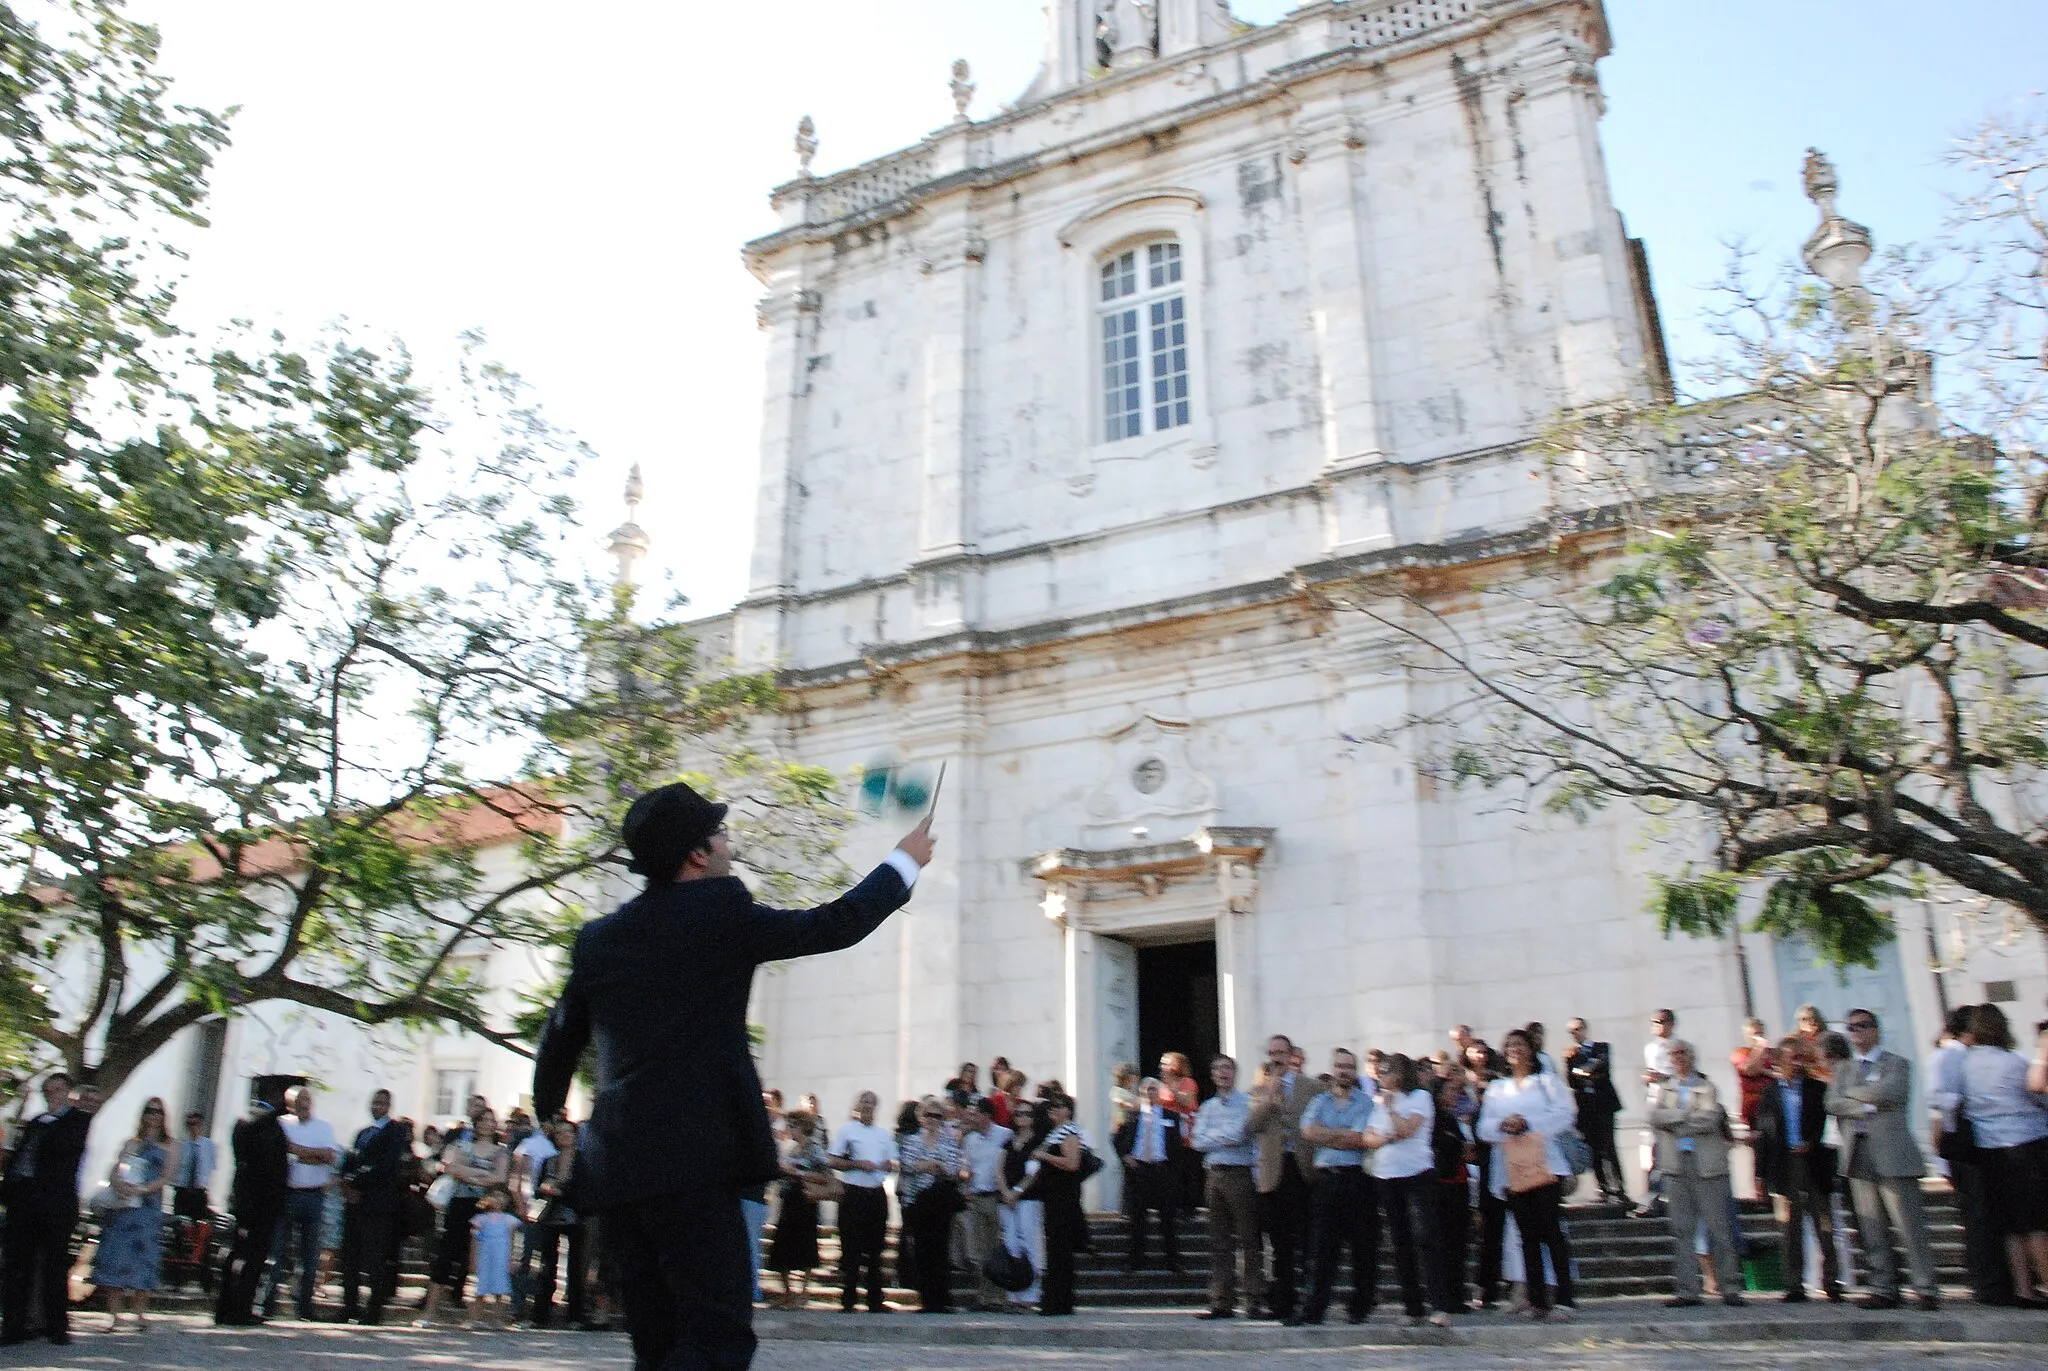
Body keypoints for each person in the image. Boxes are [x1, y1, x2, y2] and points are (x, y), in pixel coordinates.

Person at [532, 781, 933, 1369]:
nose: (727, 842)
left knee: (656, 1339)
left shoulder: (600, 939)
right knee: (716, 1337)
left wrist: (556, 1125)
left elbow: (558, 1042)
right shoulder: (720, 911)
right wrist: (903, 862)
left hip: (620, 1164)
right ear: (697, 854)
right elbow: (833, 924)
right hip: (697, 1161)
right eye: (719, 833)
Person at [1826, 1006, 1940, 1310]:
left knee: (1908, 1224)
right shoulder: (1843, 1070)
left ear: (1875, 1030)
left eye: (1862, 1026)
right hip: (1858, 1151)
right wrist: (1865, 1104)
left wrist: (1854, 1095)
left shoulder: (1896, 1064)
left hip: (1894, 1152)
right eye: (1850, 1027)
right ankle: (1883, 1286)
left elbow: (1892, 1093)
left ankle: (1925, 1287)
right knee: (1871, 1225)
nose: (1856, 1032)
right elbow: (1832, 1103)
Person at [1475, 1028, 1577, 1322]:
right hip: (1513, 1169)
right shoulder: (1496, 1089)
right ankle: (1537, 1300)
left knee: (1551, 1231)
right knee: (1526, 1235)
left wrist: (1527, 1122)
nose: (1514, 1050)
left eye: (1519, 1044)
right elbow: (1483, 1128)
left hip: (1544, 1165)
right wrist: (1505, 1125)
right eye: (1509, 1046)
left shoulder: (1545, 1082)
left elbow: (1564, 1114)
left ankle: (1565, 1297)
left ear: (1530, 1051)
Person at [1954, 1004, 2048, 1306]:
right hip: (2026, 1142)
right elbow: (2036, 1094)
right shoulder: (2014, 1062)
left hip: (1989, 1147)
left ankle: (2022, 1288)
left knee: (2010, 1225)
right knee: (2036, 1222)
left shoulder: (1965, 1064)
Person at [1648, 1040, 1744, 1308]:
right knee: (1682, 1229)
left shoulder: (1706, 1086)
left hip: (1707, 1166)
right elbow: (1656, 1117)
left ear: (1692, 1057)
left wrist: (1676, 1121)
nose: (1678, 1058)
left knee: (1718, 1228)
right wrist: (1686, 1116)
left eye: (1682, 1053)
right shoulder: (1664, 1088)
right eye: (1673, 1054)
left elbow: (1710, 1119)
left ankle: (1730, 1287)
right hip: (1676, 1166)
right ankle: (1687, 1289)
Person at [1, 1072, 93, 1346]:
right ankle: (14, 1326)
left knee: (54, 1266)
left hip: (55, 1204)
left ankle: (56, 1326)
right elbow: (21, 1158)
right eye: (48, 1091)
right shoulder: (34, 1123)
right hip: (25, 1202)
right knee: (17, 1267)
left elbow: (64, 1150)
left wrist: (52, 1122)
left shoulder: (77, 1121)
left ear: (67, 1092)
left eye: (57, 1090)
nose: (51, 1095)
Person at [1929, 1004, 2011, 1305]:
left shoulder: (1963, 1056)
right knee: (1978, 1215)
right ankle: (1988, 1284)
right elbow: (1941, 1106)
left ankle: (1995, 1280)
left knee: (1985, 1213)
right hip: (1964, 1142)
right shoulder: (1949, 1056)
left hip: (1973, 1142)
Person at [1752, 1035, 1840, 1303]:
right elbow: (1763, 1136)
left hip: (1813, 1162)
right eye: (1793, 1058)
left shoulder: (1817, 1088)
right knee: (1788, 1227)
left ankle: (1831, 1282)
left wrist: (1811, 1143)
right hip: (1784, 1165)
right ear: (1780, 1061)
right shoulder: (1769, 1094)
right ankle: (1794, 1284)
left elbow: (1826, 1125)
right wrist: (1760, 1174)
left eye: (1802, 1057)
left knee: (1823, 1224)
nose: (1799, 1063)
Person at [1293, 1047, 1376, 1326]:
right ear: (1333, 1069)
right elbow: (1307, 1131)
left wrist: (1327, 1135)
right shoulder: (1319, 1101)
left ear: (1356, 1072)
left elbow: (1360, 1138)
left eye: (1350, 1067)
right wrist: (1341, 1135)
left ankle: (1360, 1307)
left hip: (1356, 1180)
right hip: (1326, 1180)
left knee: (1362, 1246)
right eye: (1340, 1066)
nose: (1344, 1071)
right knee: (1321, 1247)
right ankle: (1314, 1309)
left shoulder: (1365, 1102)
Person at [1365, 1053, 1449, 1329]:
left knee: (1427, 1237)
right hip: (1387, 1175)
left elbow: (1407, 1130)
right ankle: (1413, 1306)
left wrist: (1390, 1114)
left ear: (1400, 1074)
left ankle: (1439, 1304)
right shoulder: (1379, 1101)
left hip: (1417, 1173)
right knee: (1400, 1242)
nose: (1382, 1075)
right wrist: (1386, 1132)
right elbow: (1369, 1137)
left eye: (1387, 1070)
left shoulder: (1419, 1097)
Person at [1247, 1034, 1324, 1320]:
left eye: (1281, 1052)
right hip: (1272, 1173)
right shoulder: (1258, 1091)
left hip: (1302, 1169)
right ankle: (1282, 1303)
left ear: (1291, 1054)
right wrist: (1270, 1097)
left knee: (1307, 1239)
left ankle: (1310, 1300)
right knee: (1278, 1243)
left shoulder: (1312, 1087)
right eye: (1272, 1052)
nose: (1276, 1057)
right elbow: (1251, 1125)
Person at [89, 1096, 178, 1332]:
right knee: (116, 1257)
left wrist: (144, 1189)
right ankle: (114, 1315)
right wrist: (118, 1183)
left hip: (148, 1208)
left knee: (144, 1259)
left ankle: (139, 1314)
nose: (154, 1115)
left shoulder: (170, 1144)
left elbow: (167, 1176)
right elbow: (117, 1168)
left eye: (158, 1111)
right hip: (124, 1207)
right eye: (149, 1110)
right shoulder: (132, 1142)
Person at [419, 1105, 509, 1327]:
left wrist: (469, 1174)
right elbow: (451, 1168)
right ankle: (429, 1313)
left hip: (485, 1208)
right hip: (460, 1205)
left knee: (481, 1258)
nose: (487, 1124)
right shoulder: (462, 1145)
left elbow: (499, 1177)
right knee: (446, 1255)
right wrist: (479, 1175)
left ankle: (477, 1316)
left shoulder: (500, 1151)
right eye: (483, 1120)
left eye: (491, 1119)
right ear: (476, 1123)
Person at [259, 1085, 339, 1321]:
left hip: (314, 1195)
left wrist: (299, 1152)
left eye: (307, 1099)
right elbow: (282, 1156)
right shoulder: (281, 1125)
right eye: (299, 1100)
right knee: (276, 1252)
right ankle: (268, 1302)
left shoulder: (323, 1127)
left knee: (310, 1255)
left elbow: (330, 1158)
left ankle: (304, 1307)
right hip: (287, 1194)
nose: (304, 1103)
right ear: (290, 1104)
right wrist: (314, 1155)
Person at [1191, 1053, 1260, 1320]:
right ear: (1212, 1075)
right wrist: (1223, 1137)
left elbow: (1241, 1134)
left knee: (1248, 1238)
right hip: (1214, 1175)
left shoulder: (1246, 1103)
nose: (1223, 1073)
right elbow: (1197, 1142)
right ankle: (1221, 1301)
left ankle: (1253, 1299)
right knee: (1219, 1240)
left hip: (1239, 1174)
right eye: (1218, 1069)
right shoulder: (1207, 1107)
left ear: (1235, 1073)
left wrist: (1215, 1137)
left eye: (1228, 1068)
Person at [214, 1094, 288, 1327]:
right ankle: (237, 1308)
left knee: (244, 1258)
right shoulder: (262, 1130)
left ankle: (233, 1307)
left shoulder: (252, 1126)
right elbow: (265, 1172)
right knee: (247, 1259)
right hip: (256, 1205)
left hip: (254, 1203)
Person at [339, 1088, 411, 1325]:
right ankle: (349, 1306)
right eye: (374, 1102)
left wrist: (358, 1182)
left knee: (375, 1258)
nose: (377, 1107)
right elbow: (351, 1161)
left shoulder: (395, 1131)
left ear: (388, 1105)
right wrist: (347, 1183)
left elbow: (385, 1166)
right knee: (350, 1257)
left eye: (381, 1103)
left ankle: (373, 1310)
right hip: (355, 1203)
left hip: (378, 1204)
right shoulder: (362, 1133)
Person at [828, 1091, 899, 1313]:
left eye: (872, 1103)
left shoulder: (883, 1134)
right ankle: (848, 1299)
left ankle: (874, 1299)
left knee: (876, 1248)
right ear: (858, 1105)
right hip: (854, 1192)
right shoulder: (847, 1131)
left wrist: (888, 1166)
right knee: (851, 1247)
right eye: (865, 1103)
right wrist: (857, 1164)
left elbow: (895, 1163)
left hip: (875, 1192)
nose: (868, 1107)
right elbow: (833, 1159)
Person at [897, 1095, 963, 1313]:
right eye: (928, 1115)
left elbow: (952, 1170)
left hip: (940, 1201)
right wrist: (934, 1164)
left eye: (937, 1115)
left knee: (940, 1250)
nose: (932, 1119)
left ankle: (941, 1299)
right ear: (921, 1116)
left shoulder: (949, 1141)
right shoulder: (912, 1140)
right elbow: (908, 1165)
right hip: (917, 1200)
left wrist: (929, 1165)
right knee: (922, 1250)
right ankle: (926, 1299)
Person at [1113, 1077, 1185, 1274]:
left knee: (1168, 1218)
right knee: (1137, 1218)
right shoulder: (1131, 1116)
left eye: (1154, 1089)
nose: (1150, 1093)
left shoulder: (1171, 1116)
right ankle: (1135, 1260)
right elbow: (1117, 1138)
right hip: (1139, 1170)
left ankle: (1173, 1260)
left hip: (1162, 1170)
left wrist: (1173, 1170)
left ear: (1159, 1092)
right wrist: (1125, 1157)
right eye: (1146, 1090)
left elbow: (1178, 1146)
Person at [1030, 1091, 1085, 1316]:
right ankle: (1054, 1298)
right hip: (1052, 1196)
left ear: (1068, 1110)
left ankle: (1061, 1300)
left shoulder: (1070, 1132)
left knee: (1060, 1249)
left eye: (1059, 1105)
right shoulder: (1054, 1132)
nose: (1054, 1109)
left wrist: (1045, 1157)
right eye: (1052, 1105)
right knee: (1054, 1248)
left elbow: (1072, 1163)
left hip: (1064, 1197)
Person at [768, 1111, 829, 1309]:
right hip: (789, 1201)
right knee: (781, 1246)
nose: (790, 1129)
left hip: (806, 1200)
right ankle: (787, 1292)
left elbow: (823, 1176)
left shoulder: (814, 1149)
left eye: (793, 1125)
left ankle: (804, 1291)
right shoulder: (791, 1149)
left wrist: (798, 1173)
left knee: (806, 1244)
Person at [957, 1098, 1013, 1311]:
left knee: (999, 1247)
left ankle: (1001, 1295)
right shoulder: (970, 1140)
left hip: (997, 1197)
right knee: (980, 1251)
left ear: (986, 1115)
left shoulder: (1004, 1135)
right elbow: (966, 1166)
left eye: (975, 1114)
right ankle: (984, 1297)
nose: (971, 1117)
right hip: (977, 1197)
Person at [1564, 1019, 1625, 1203]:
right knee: (1594, 1150)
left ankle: (1619, 1187)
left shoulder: (1601, 1047)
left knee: (1609, 1147)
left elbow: (1601, 1068)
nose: (1575, 1034)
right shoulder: (1570, 1055)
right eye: (1571, 1031)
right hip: (1586, 1108)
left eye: (1577, 1029)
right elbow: (1572, 1081)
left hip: (1604, 1105)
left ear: (1585, 1029)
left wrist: (1583, 1071)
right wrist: (1584, 1071)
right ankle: (1603, 1188)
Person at [1430, 1073, 1475, 1311]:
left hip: (1459, 1184)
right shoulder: (1435, 1120)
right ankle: (1446, 1295)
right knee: (1445, 1244)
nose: (1453, 1096)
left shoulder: (1452, 1119)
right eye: (1448, 1092)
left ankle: (1456, 1295)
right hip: (1442, 1185)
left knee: (1458, 1243)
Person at [997, 1098, 1046, 1310]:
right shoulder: (1009, 1141)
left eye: (1027, 1114)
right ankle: (1014, 1291)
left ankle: (1032, 1292)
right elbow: (999, 1169)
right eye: (1019, 1114)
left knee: (1030, 1242)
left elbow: (1034, 1173)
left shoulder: (1037, 1142)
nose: (1022, 1118)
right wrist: (1005, 1192)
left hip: (1028, 1199)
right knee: (1011, 1243)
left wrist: (1017, 1192)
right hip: (1007, 1200)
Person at [1634, 1009, 1678, 1218]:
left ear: (1670, 1024)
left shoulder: (1678, 1047)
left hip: (1674, 1103)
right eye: (1654, 1022)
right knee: (1654, 1151)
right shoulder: (1650, 1048)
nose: (1656, 1026)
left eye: (1660, 1022)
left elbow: (1682, 1076)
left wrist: (1661, 1076)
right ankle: (1653, 1198)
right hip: (1655, 1102)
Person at [467, 1185, 520, 1330]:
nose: (498, 1199)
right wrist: (473, 1259)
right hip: (485, 1256)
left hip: (501, 1257)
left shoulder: (509, 1220)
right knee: (480, 1289)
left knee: (499, 1289)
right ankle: (475, 1318)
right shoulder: (480, 1219)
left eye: (501, 1196)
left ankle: (497, 1319)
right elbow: (475, 1240)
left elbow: (512, 1241)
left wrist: (511, 1259)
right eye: (494, 1195)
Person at [171, 1111, 217, 1220]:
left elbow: (210, 1168)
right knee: (180, 1222)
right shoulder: (180, 1145)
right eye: (191, 1124)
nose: (194, 1128)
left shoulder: (209, 1146)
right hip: (182, 1190)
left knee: (199, 1223)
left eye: (197, 1124)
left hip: (199, 1192)